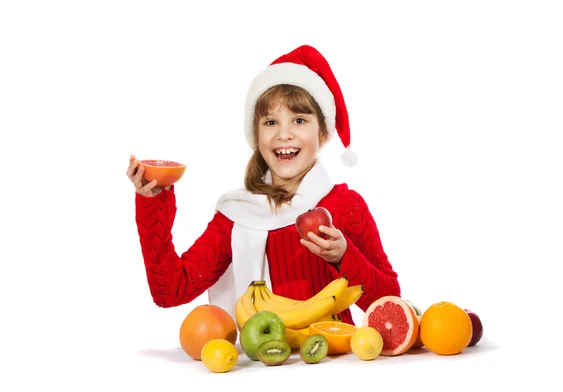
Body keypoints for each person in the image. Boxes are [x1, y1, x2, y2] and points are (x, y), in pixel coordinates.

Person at [127, 45, 400, 324]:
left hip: (333, 362)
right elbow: (171, 290)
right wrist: (153, 203)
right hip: (259, 362)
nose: (284, 134)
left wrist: (344, 256)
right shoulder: (237, 215)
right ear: (256, 135)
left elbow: (390, 302)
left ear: (322, 132)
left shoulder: (345, 206)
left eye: (299, 120)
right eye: (270, 122)